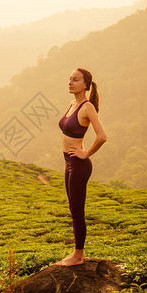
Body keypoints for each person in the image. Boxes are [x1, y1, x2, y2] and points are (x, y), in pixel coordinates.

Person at [56, 68, 107, 266]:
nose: (70, 82)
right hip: (68, 162)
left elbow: (102, 136)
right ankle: (77, 252)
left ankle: (78, 255)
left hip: (79, 164)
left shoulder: (87, 108)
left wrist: (85, 153)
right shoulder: (72, 104)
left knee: (77, 210)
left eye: (75, 80)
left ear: (85, 84)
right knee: (72, 208)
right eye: (69, 79)